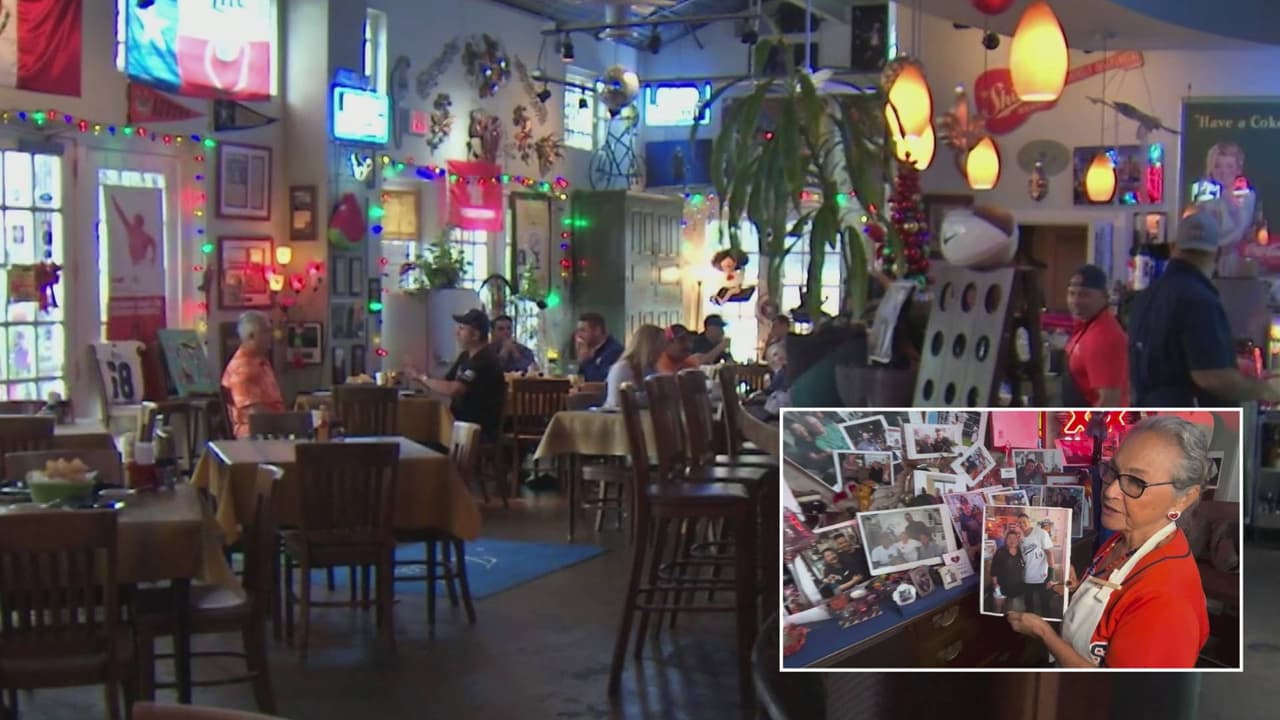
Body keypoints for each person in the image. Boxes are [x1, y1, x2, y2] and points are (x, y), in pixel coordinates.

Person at [1009, 417, 1211, 668]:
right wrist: (1076, 589)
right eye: (1113, 471)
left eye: (1136, 482)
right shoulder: (1123, 539)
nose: (1110, 491)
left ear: (1183, 499)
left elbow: (1116, 690)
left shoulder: (1168, 602)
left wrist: (1044, 633)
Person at [1128, 211, 1280, 406]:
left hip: (1150, 414)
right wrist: (1266, 389)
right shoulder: (1199, 299)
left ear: (1174, 248)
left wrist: (1229, 364)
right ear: (1217, 253)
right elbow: (1211, 378)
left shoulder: (1146, 296)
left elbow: (1169, 360)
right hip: (1190, 419)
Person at [412, 309, 506, 444]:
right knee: (420, 434)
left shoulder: (485, 360)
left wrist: (422, 378)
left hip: (476, 431)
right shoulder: (465, 356)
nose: (456, 333)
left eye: (462, 329)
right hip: (459, 425)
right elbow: (445, 383)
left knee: (422, 441)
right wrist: (421, 377)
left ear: (475, 335)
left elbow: (454, 389)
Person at [1064, 265, 1129, 407]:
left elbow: (1109, 401)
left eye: (1084, 295)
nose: (1075, 301)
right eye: (1072, 294)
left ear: (1104, 297)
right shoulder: (1087, 326)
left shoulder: (1104, 336)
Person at [221, 311, 286, 439]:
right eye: (266, 331)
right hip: (254, 435)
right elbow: (256, 415)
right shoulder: (242, 369)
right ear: (251, 336)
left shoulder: (261, 361)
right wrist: (290, 423)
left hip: (274, 430)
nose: (271, 335)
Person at [603, 324, 664, 409]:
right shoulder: (622, 368)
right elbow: (618, 401)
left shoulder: (650, 369)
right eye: (660, 345)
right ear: (649, 346)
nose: (662, 351)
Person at [1017, 512, 1058, 619]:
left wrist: (1051, 575)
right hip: (1027, 578)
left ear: (1029, 521)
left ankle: (1047, 626)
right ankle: (1030, 627)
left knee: (1045, 607)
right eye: (1019, 523)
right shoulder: (1021, 539)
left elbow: (1049, 553)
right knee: (1029, 606)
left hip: (1043, 577)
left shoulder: (1041, 533)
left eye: (1024, 521)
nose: (1022, 524)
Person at [655, 324, 726, 373]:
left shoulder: (688, 361)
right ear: (668, 343)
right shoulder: (661, 365)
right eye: (682, 340)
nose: (688, 345)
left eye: (690, 340)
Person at [575, 312, 623, 383]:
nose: (579, 335)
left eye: (582, 330)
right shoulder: (591, 350)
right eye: (578, 330)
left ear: (597, 330)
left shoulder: (614, 351)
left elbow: (600, 382)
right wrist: (582, 361)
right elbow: (581, 381)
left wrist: (587, 361)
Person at [989, 528, 1027, 614]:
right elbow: (994, 569)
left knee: (1010, 608)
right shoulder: (1000, 552)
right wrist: (995, 584)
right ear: (1005, 540)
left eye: (1014, 538)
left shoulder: (1021, 552)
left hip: (1016, 586)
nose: (1012, 540)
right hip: (1001, 586)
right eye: (1009, 538)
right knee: (998, 608)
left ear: (1018, 540)